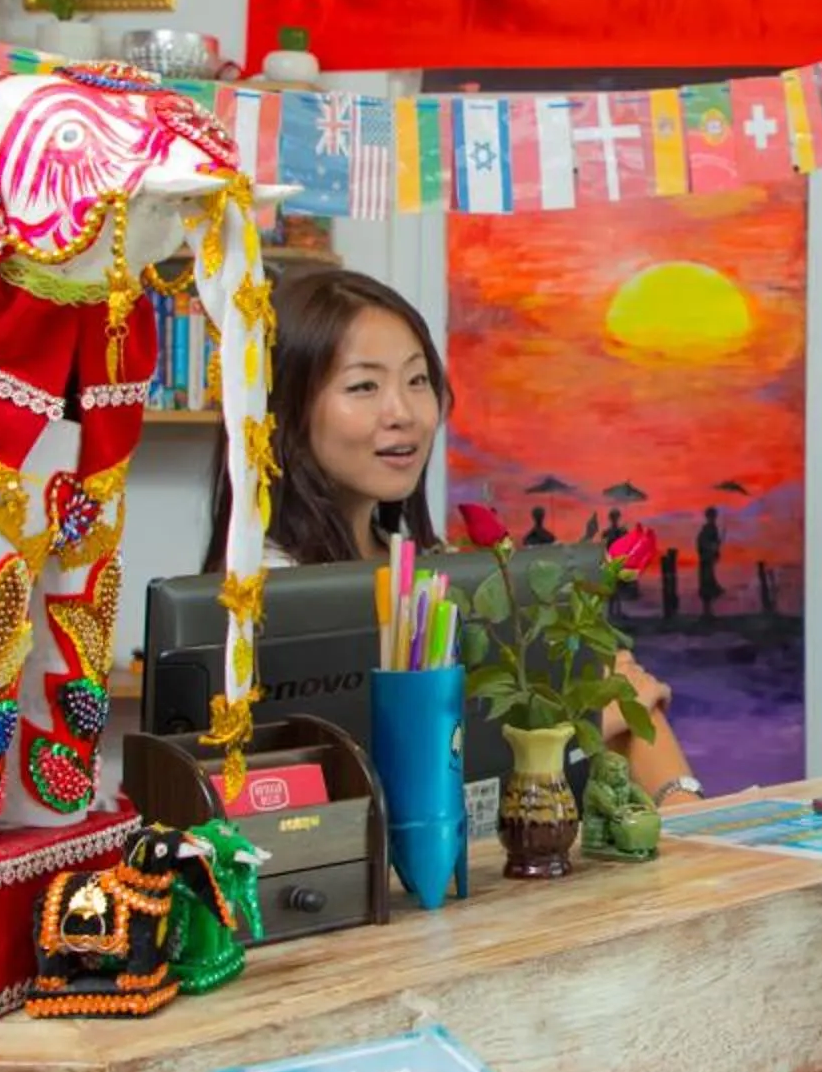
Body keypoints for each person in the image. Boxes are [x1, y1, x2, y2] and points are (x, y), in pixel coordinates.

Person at [203, 267, 696, 799]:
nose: (405, 413)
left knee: (618, 678)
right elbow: (362, 791)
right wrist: (577, 727)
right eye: (363, 386)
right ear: (281, 412)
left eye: (417, 380)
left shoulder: (425, 568)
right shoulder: (263, 592)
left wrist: (676, 797)